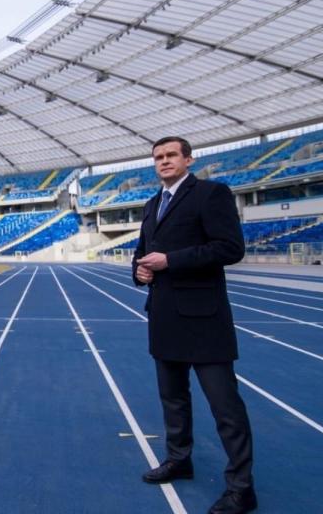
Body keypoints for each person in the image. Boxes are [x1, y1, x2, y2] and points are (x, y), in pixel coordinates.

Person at [132, 136, 256, 514]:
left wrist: (171, 260)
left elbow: (230, 248)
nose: (164, 161)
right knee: (173, 400)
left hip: (204, 319)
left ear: (188, 159)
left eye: (171, 155)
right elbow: (142, 254)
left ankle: (241, 487)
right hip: (165, 317)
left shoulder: (211, 193)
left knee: (225, 407)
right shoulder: (154, 204)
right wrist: (139, 272)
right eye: (158, 157)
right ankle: (178, 458)